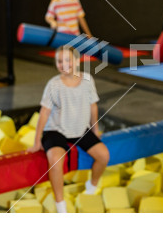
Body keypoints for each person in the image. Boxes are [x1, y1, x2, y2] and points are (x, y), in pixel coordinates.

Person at [28, 46, 109, 213]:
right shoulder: (54, 85)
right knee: (56, 161)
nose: (64, 64)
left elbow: (93, 106)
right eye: (59, 61)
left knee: (104, 155)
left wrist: (95, 130)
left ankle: (91, 187)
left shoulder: (87, 79)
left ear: (77, 61)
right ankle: (61, 205)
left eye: (67, 60)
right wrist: (37, 142)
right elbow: (44, 112)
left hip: (80, 129)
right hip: (56, 130)